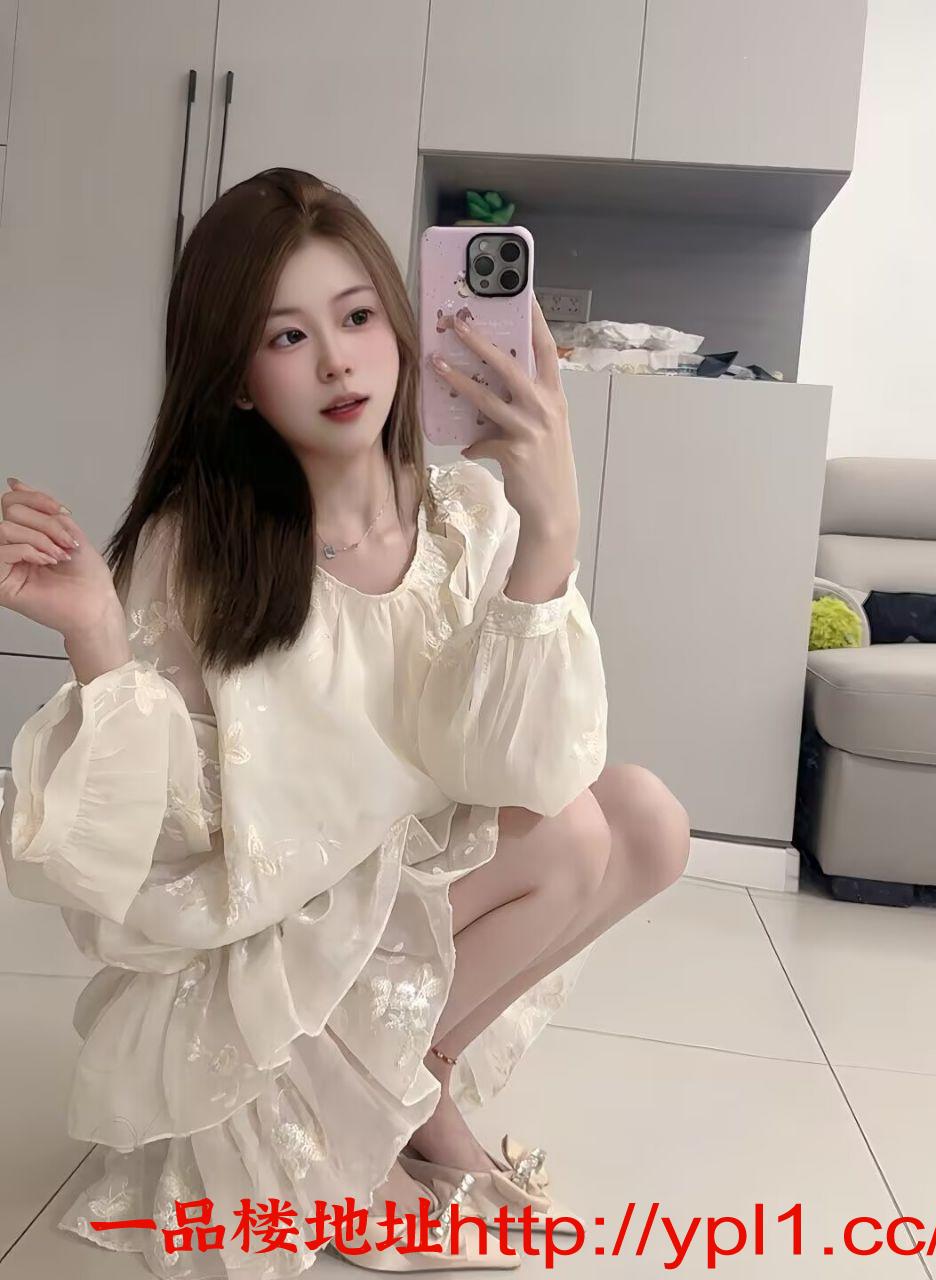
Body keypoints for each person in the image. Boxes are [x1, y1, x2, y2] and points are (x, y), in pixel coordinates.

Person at [0, 169, 690, 1276]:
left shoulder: (469, 515)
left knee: (642, 819)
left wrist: (550, 530)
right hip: (278, 964)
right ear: (235, 380)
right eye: (287, 335)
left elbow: (517, 766)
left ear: (404, 331)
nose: (337, 361)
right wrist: (93, 629)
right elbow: (164, 839)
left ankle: (421, 1080)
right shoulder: (199, 550)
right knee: (571, 835)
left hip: (409, 924)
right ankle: (370, 1117)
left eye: (359, 316)